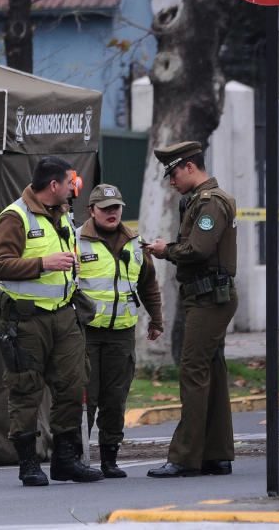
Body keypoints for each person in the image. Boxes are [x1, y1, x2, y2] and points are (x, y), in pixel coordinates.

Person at [0, 156, 104, 486]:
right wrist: (44, 263)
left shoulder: (63, 214)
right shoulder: (15, 217)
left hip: (64, 315)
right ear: (53, 185)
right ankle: (28, 464)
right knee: (25, 389)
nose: (74, 187)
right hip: (26, 321)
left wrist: (71, 267)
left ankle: (66, 460)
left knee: (72, 383)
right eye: (70, 182)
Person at [142, 142, 238, 478]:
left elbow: (197, 249)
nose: (170, 181)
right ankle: (217, 454)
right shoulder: (200, 201)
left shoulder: (211, 202)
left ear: (190, 167)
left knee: (193, 370)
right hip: (207, 294)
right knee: (210, 370)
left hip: (209, 297)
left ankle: (185, 457)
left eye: (173, 173)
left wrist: (164, 250)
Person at [77, 184, 164, 479]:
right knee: (86, 397)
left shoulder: (136, 243)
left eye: (116, 207)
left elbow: (148, 284)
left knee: (116, 398)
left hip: (122, 334)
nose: (112, 213)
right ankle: (79, 457)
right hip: (86, 333)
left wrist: (156, 321)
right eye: (105, 208)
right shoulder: (76, 241)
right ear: (92, 211)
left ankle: (110, 459)